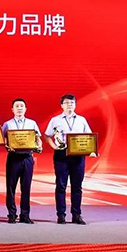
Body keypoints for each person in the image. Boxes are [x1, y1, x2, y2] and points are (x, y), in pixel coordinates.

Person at [44, 94, 96, 225]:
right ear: (62, 105)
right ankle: (61, 215)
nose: (69, 105)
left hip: (78, 156)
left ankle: (76, 215)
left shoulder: (81, 120)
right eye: (66, 103)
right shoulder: (55, 120)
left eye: (72, 103)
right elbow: (47, 136)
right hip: (61, 156)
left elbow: (89, 137)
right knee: (61, 186)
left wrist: (91, 151)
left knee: (77, 187)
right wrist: (54, 147)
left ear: (75, 105)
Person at [1, 98, 42, 224]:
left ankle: (25, 215)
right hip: (14, 157)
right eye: (17, 106)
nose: (19, 108)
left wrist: (39, 146)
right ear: (12, 109)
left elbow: (38, 138)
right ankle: (11, 214)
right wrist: (7, 146)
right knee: (11, 187)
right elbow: (3, 140)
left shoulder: (32, 123)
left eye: (22, 106)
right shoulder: (7, 124)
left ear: (25, 109)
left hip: (28, 158)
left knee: (26, 187)